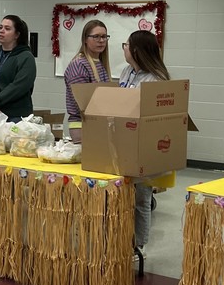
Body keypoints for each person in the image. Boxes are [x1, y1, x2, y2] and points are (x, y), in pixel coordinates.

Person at [118, 29, 171, 255]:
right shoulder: (126, 72)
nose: (124, 49)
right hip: (124, 142)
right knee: (124, 193)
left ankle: (138, 245)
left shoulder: (156, 79)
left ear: (136, 50)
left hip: (145, 145)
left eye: (126, 45)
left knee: (142, 197)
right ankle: (121, 239)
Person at [63, 20, 111, 142]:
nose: (101, 40)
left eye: (104, 36)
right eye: (96, 36)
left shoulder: (99, 63)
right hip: (82, 125)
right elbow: (82, 102)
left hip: (98, 124)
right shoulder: (79, 64)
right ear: (85, 39)